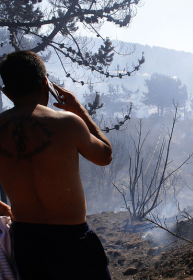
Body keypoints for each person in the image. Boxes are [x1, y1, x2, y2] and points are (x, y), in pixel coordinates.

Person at [0, 50, 112, 279]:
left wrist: (1, 207)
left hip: (26, 243)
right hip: (72, 240)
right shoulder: (68, 123)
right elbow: (105, 156)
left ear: (6, 92)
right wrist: (79, 110)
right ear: (45, 83)